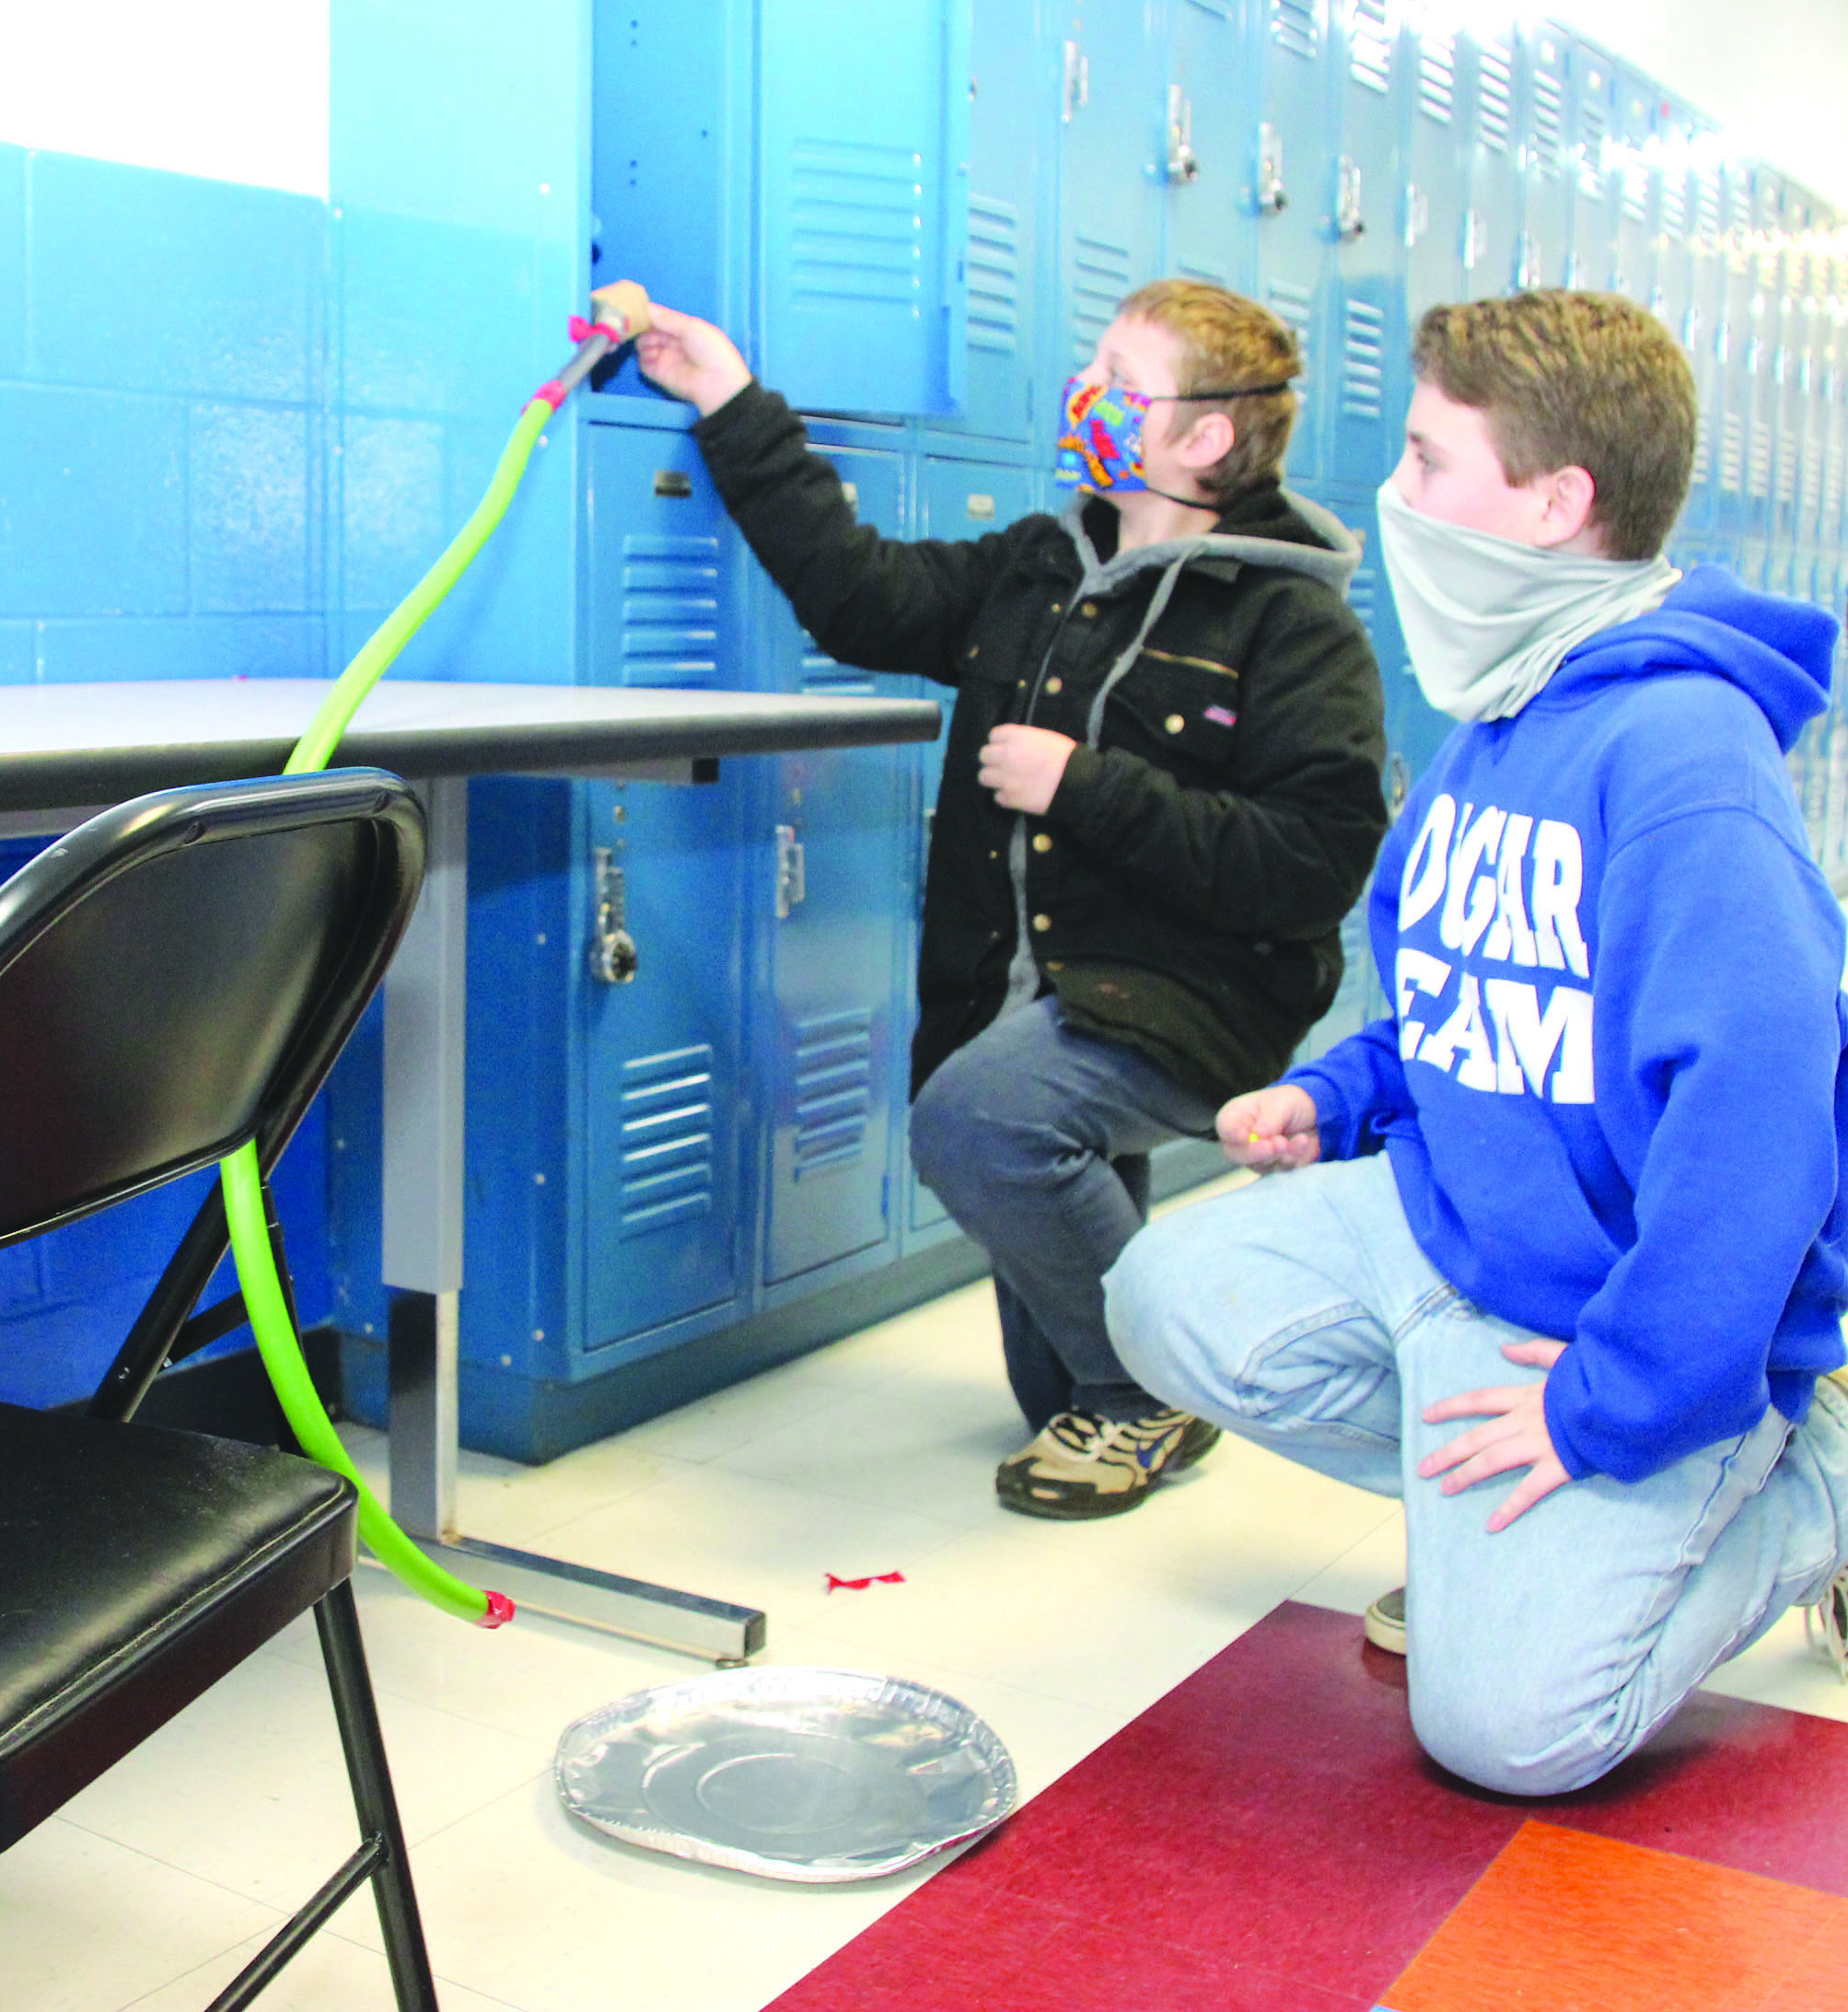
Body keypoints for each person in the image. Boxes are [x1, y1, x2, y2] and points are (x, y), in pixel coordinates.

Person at [1106, 289, 1848, 1797]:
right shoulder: (1506, 708)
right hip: (1469, 1231)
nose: (1397, 498)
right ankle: (1518, 1529)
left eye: (1433, 461)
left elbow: (1766, 1129)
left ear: (1557, 501)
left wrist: (1614, 1401)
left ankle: (1810, 1476)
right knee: (1166, 1295)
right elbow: (1466, 995)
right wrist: (1338, 1092)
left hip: (1620, 1299)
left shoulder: (1680, 756)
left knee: (1511, 1737)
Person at [634, 280, 1389, 1517]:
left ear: (1202, 437)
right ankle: (1136, 1376)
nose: (1080, 391)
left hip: (1190, 997)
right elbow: (859, 595)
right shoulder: (1045, 569)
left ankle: (1156, 1387)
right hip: (1023, 984)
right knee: (1054, 1384)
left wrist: (1086, 787)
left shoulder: (1290, 623)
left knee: (979, 1124)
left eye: (1115, 375)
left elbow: (1312, 859)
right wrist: (728, 398)